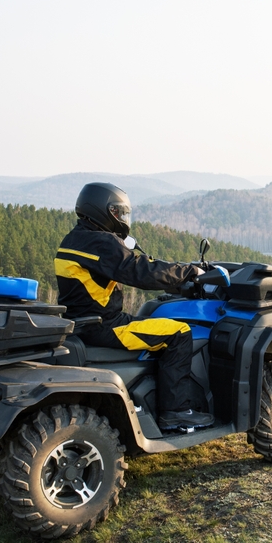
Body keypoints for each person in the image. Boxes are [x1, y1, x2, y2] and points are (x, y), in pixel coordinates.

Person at [54, 182, 213, 430]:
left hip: (82, 322)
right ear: (103, 211)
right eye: (118, 213)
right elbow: (141, 272)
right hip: (104, 325)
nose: (122, 218)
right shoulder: (102, 242)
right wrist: (189, 271)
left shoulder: (73, 239)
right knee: (180, 332)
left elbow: (134, 265)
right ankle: (176, 412)